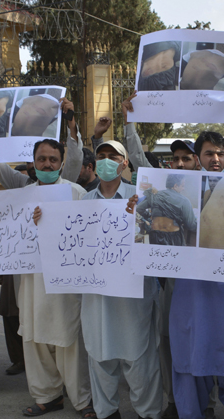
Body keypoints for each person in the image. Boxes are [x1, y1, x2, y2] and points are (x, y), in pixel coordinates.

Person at [128, 130, 224, 419]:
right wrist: (135, 213)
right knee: (190, 363)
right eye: (209, 153)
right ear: (198, 159)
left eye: (221, 153)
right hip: (192, 292)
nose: (216, 159)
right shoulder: (182, 195)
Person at [79, 139, 162, 419]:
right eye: (100, 156)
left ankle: (148, 412)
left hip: (132, 295)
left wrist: (142, 216)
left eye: (112, 156)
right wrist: (43, 221)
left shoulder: (139, 196)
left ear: (125, 163)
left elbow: (158, 242)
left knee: (140, 358)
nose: (105, 161)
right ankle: (106, 412)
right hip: (98, 297)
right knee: (100, 354)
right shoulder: (83, 201)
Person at [18, 139, 93, 417]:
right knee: (35, 337)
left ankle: (83, 400)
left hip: (66, 282)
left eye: (52, 159)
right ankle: (47, 397)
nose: (47, 164)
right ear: (34, 162)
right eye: (41, 159)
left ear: (62, 162)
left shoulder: (76, 193)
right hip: (32, 281)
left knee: (68, 340)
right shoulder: (21, 197)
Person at [0, 97, 83, 187]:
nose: (46, 164)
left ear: (61, 164)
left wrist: (71, 121)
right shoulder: (22, 185)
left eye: (52, 159)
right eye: (39, 159)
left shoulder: (67, 184)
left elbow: (75, 159)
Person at [137, 173, 197, 247]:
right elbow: (191, 225)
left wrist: (149, 215)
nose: (183, 188)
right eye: (183, 186)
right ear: (175, 186)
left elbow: (138, 209)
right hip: (173, 239)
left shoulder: (155, 195)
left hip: (155, 237)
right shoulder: (184, 201)